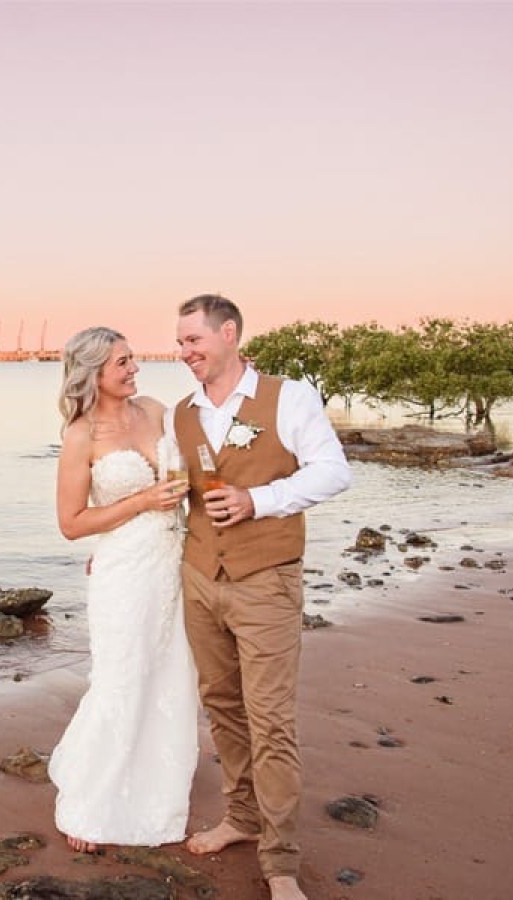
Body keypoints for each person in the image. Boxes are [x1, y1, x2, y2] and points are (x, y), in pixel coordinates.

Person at [173, 295, 351, 900]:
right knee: (222, 707)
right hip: (199, 578)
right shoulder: (183, 413)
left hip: (266, 580)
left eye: (193, 341)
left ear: (229, 334)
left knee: (272, 723)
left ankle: (280, 862)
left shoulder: (289, 396)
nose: (184, 352)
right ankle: (241, 818)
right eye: (179, 343)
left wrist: (260, 500)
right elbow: (184, 495)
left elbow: (333, 470)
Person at [48, 326, 199, 853]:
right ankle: (91, 801)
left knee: (169, 672)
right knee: (120, 675)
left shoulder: (156, 410)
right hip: (123, 571)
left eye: (133, 359)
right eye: (122, 363)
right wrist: (141, 503)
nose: (135, 368)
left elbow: (187, 475)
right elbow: (71, 522)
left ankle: (157, 787)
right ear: (94, 374)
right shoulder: (80, 436)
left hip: (173, 561)